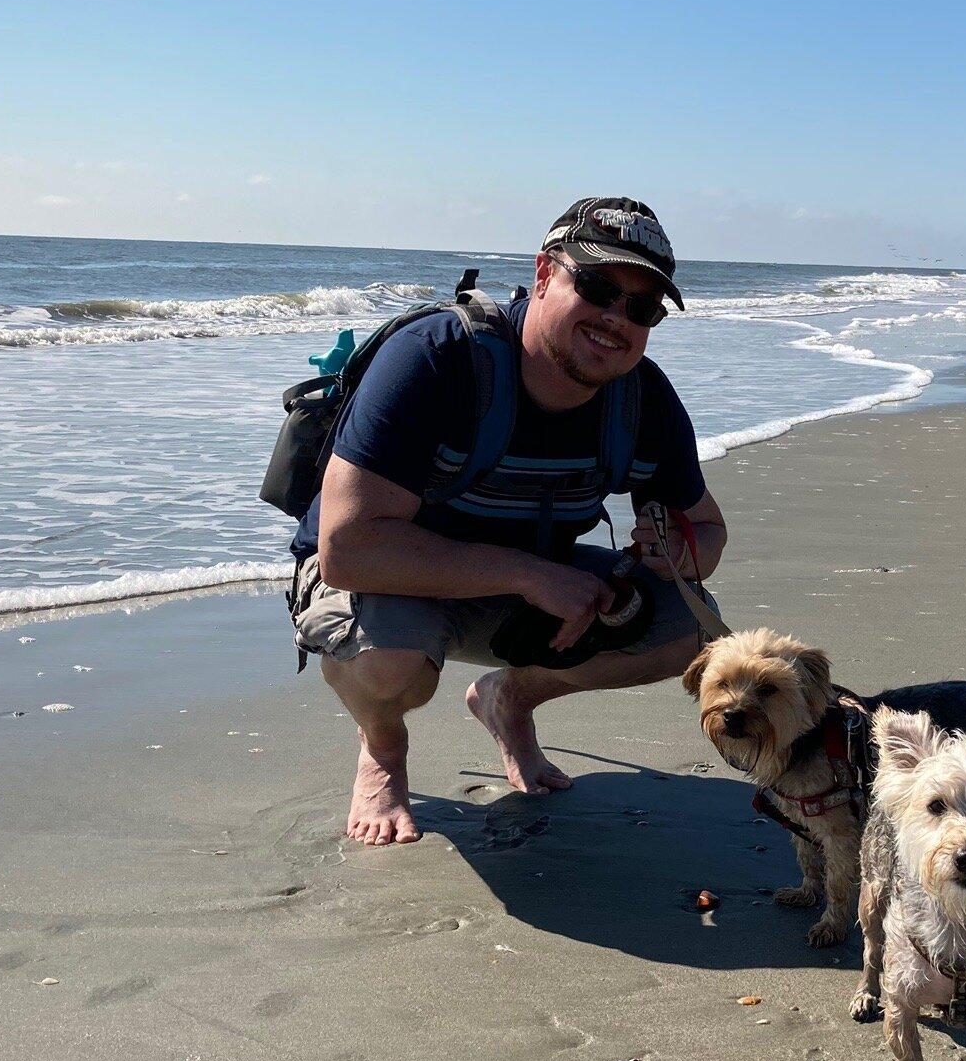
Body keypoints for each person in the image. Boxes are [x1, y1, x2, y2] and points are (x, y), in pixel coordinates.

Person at [288, 198, 728, 844]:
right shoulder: (435, 361)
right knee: (392, 663)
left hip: (529, 591)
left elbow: (708, 530)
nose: (616, 319)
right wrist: (528, 575)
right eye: (599, 288)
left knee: (692, 630)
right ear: (546, 274)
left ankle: (509, 701)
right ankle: (382, 747)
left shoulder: (642, 399)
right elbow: (348, 550)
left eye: (642, 308)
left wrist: (677, 553)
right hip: (383, 581)